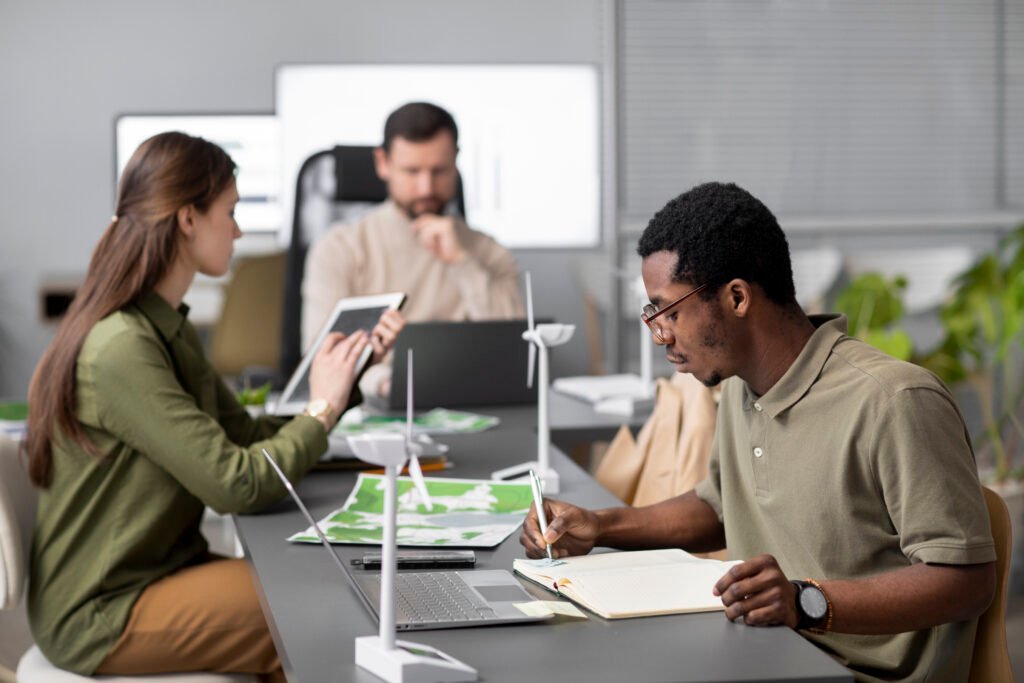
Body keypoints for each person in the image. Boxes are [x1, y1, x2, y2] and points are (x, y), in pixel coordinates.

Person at [521, 182, 996, 682]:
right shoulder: (739, 387)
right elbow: (719, 505)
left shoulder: (894, 400)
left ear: (737, 297)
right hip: (763, 654)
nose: (661, 336)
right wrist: (600, 526)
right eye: (653, 316)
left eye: (670, 313)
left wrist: (805, 601)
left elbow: (967, 582)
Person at [25, 132, 404, 682]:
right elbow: (237, 485)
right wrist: (320, 408)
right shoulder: (122, 347)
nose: (238, 230)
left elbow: (243, 437)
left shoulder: (165, 329)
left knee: (321, 594)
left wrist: (342, 385)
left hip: (157, 574)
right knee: (320, 609)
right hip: (102, 612)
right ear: (188, 219)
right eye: (230, 211)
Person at [302, 102, 524, 399]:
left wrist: (461, 263)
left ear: (456, 161)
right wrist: (387, 383)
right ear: (383, 163)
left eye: (438, 171)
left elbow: (515, 351)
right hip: (373, 403)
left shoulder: (488, 253)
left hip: (469, 402)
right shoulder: (340, 248)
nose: (426, 188)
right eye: (412, 171)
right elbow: (322, 358)